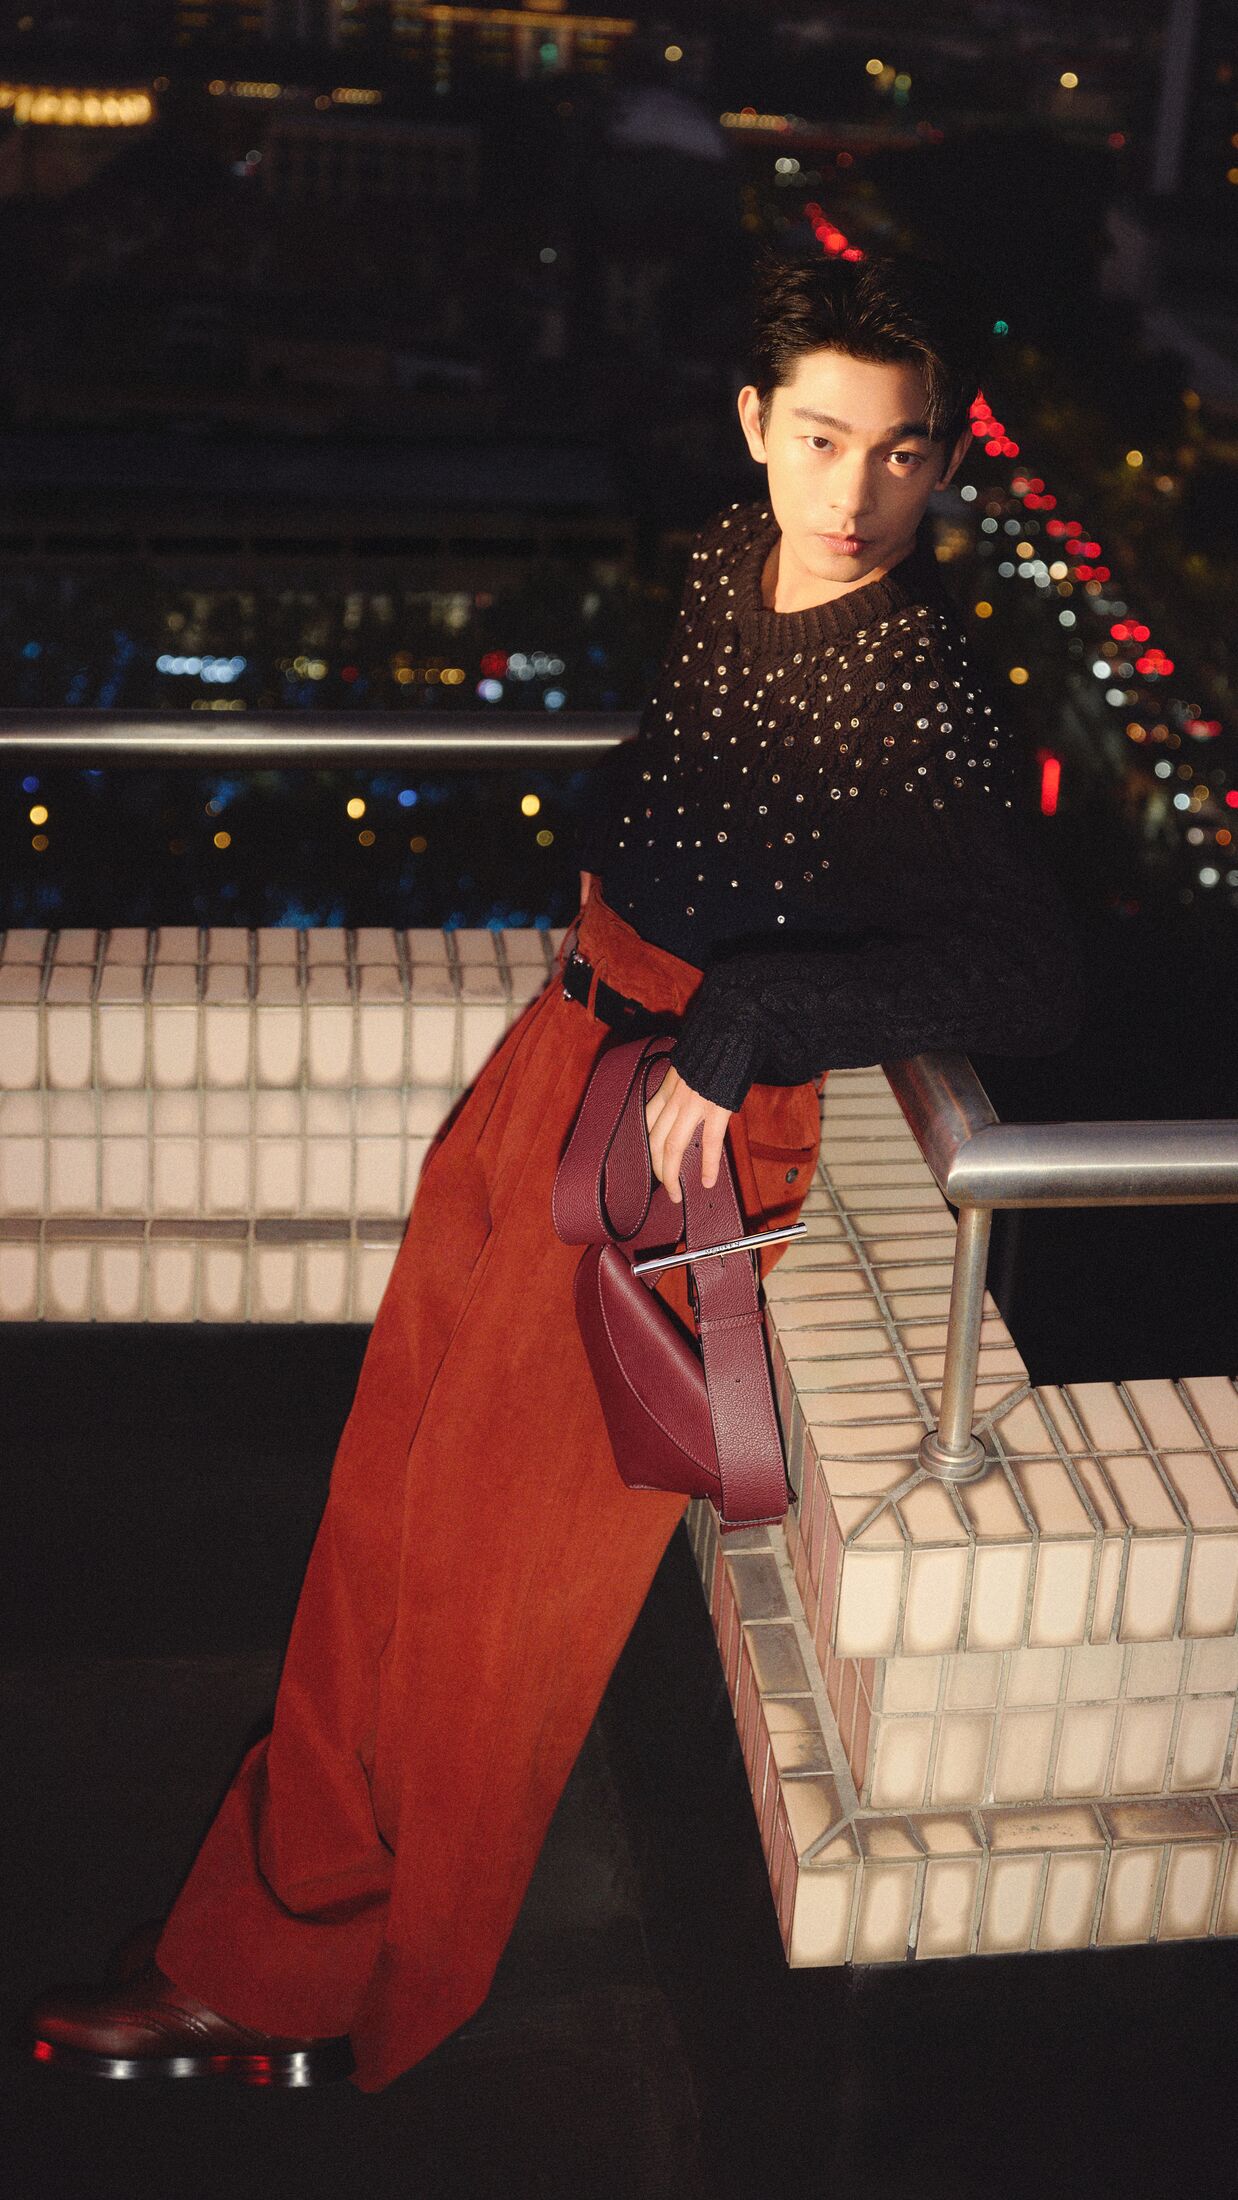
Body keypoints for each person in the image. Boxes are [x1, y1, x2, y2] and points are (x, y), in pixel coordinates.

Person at [27, 247, 1082, 2090]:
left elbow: (1029, 971)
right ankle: (267, 1942)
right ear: (753, 426)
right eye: (818, 437)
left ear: (943, 465)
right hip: (561, 1055)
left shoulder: (917, 675)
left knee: (487, 1597)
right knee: (379, 1526)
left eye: (900, 456)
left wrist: (757, 1014)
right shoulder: (712, 566)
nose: (851, 496)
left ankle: (327, 1987)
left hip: (672, 1138)